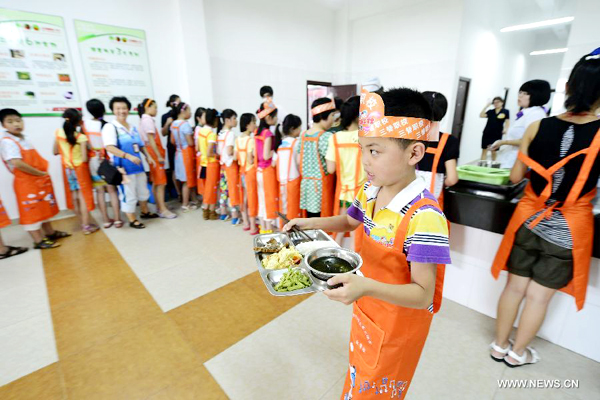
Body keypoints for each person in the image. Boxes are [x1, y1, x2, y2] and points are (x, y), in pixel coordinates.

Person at [284, 88, 451, 400]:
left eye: (374, 151)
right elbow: (349, 222)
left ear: (414, 153)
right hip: (368, 311)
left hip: (399, 326)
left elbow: (422, 294)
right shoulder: (372, 188)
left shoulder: (425, 216)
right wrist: (309, 222)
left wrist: (366, 287)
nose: (365, 162)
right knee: (359, 376)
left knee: (378, 390)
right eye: (362, 149)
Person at [490, 49, 600, 368]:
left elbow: (515, 176)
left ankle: (499, 346)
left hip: (529, 220)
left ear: (567, 89)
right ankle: (517, 354)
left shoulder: (538, 127)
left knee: (514, 287)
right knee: (539, 296)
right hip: (568, 228)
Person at [0, 108, 70, 249]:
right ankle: (38, 240)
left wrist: (40, 175)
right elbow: (17, 163)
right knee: (31, 211)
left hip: (37, 181)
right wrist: (39, 173)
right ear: (3, 125)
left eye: (18, 120)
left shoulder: (24, 138)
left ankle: (50, 233)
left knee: (43, 208)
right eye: (10, 121)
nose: (16, 124)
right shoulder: (8, 142)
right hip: (26, 183)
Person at [102, 97, 158, 229]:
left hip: (138, 166)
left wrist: (148, 157)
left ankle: (145, 211)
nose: (122, 111)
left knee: (143, 191)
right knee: (128, 193)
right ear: (113, 111)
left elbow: (140, 145)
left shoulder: (132, 127)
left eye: (124, 108)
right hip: (123, 168)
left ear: (128, 109)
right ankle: (132, 219)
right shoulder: (110, 127)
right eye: (118, 108)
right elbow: (109, 147)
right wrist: (127, 156)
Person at [325, 96, 366, 246]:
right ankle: (356, 265)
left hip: (343, 192)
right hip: (362, 192)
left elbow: (330, 169)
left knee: (340, 229)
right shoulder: (365, 137)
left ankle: (335, 256)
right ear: (359, 115)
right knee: (357, 233)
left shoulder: (335, 138)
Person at [53, 108, 98, 234]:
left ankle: (82, 222)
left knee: (74, 196)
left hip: (68, 169)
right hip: (79, 170)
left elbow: (55, 151)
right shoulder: (81, 137)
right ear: (78, 121)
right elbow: (84, 158)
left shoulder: (58, 133)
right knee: (83, 197)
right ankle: (86, 225)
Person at [490, 80, 551, 168]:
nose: (520, 95)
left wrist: (503, 142)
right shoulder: (525, 111)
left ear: (537, 95)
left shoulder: (536, 114)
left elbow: (530, 140)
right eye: (520, 92)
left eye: (525, 93)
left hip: (521, 163)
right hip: (511, 160)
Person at [416, 91, 460, 209]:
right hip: (430, 207)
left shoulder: (408, 137)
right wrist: (440, 183)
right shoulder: (449, 141)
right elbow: (452, 179)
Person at [84, 99, 122, 228]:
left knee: (99, 191)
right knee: (112, 190)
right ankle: (117, 219)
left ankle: (106, 220)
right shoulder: (106, 125)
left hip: (93, 161)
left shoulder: (84, 125)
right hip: (106, 160)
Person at [298, 97, 336, 218]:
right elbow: (331, 168)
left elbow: (300, 161)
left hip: (306, 185)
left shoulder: (303, 135)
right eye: (332, 116)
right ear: (324, 116)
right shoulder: (327, 136)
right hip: (321, 187)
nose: (333, 120)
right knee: (321, 220)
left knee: (310, 218)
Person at [138, 98, 176, 219]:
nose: (156, 109)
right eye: (154, 107)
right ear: (147, 108)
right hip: (154, 154)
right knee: (161, 183)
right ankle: (162, 210)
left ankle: (160, 207)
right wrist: (158, 156)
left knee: (156, 182)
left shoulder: (144, 120)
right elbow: (151, 140)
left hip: (153, 154)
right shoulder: (147, 120)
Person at [255, 100, 279, 233]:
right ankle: (269, 231)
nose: (276, 119)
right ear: (269, 117)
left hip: (258, 171)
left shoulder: (257, 133)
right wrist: (275, 150)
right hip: (266, 171)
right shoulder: (268, 134)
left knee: (261, 199)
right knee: (269, 200)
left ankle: (263, 228)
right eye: (275, 116)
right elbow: (265, 155)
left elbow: (256, 154)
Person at [170, 103, 197, 212]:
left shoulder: (173, 124)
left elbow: (172, 141)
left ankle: (193, 200)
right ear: (183, 111)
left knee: (184, 179)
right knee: (187, 180)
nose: (190, 113)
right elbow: (190, 143)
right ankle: (185, 204)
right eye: (189, 111)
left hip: (178, 153)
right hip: (186, 154)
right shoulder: (185, 125)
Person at [276, 114, 302, 223]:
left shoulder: (281, 144)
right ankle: (293, 233)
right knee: (294, 209)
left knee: (284, 208)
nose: (301, 130)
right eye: (299, 127)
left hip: (282, 181)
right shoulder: (296, 143)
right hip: (294, 180)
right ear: (293, 129)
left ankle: (284, 229)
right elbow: (298, 162)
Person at [235, 113, 258, 234]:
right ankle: (254, 226)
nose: (256, 125)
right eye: (254, 122)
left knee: (243, 198)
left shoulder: (238, 139)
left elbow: (235, 156)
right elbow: (250, 159)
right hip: (250, 172)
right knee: (252, 198)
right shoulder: (250, 140)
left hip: (241, 172)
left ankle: (246, 222)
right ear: (248, 124)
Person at [218, 109, 241, 224]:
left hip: (222, 165)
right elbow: (229, 150)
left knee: (223, 189)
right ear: (227, 120)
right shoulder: (231, 134)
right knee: (233, 190)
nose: (236, 121)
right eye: (234, 118)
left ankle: (223, 213)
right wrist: (237, 152)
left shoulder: (220, 133)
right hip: (231, 165)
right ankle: (235, 215)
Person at [197, 109, 220, 220]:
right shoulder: (211, 134)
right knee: (212, 188)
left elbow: (198, 148)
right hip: (211, 164)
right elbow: (210, 152)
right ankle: (209, 211)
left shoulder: (201, 131)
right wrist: (218, 155)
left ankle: (208, 210)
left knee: (208, 188)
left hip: (203, 163)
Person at [161, 94, 181, 200]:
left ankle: (186, 193)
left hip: (182, 146)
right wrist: (168, 124)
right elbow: (163, 133)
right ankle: (179, 193)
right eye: (178, 102)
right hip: (172, 146)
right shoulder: (165, 116)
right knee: (174, 169)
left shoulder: (180, 114)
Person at [480, 97, 510, 161]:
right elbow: (481, 115)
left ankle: (493, 165)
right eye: (494, 102)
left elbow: (507, 122)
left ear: (502, 102)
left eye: (498, 102)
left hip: (497, 134)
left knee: (493, 151)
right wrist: (486, 106)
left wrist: (505, 129)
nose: (496, 104)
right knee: (484, 150)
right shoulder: (491, 111)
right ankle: (481, 166)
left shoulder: (505, 111)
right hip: (487, 133)